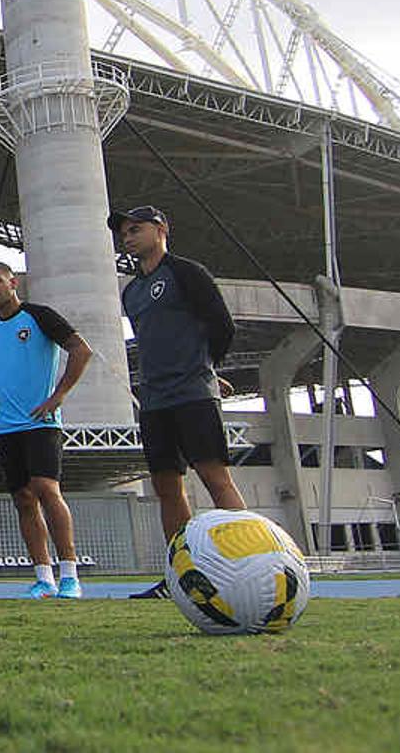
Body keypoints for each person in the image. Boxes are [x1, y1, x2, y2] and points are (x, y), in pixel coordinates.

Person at [110, 205, 247, 600]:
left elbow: (222, 325)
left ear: (161, 229)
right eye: (124, 233)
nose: (128, 237)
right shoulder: (132, 292)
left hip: (192, 393)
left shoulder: (187, 273)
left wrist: (206, 369)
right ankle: (181, 575)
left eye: (136, 229)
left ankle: (251, 562)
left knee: (214, 477)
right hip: (153, 399)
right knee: (166, 486)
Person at [0, 261, 94, 599]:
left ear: (14, 283)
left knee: (46, 488)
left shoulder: (39, 316)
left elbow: (81, 349)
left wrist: (59, 395)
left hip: (41, 421)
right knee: (23, 497)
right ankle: (43, 576)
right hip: (6, 427)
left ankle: (70, 573)